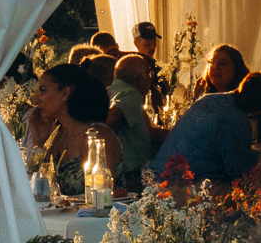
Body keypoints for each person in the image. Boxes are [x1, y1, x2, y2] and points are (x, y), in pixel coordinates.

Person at [149, 71, 261, 185]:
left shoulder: (208, 99)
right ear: (260, 106)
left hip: (157, 177)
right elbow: (239, 172)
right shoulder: (236, 119)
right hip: (184, 186)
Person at [29, 62, 118, 197]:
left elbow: (103, 195)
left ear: (65, 92)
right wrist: (39, 142)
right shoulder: (59, 135)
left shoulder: (96, 136)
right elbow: (40, 190)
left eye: (43, 91)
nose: (38, 99)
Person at [107, 54, 166, 182]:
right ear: (140, 78)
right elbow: (112, 118)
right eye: (149, 73)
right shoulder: (131, 94)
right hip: (133, 175)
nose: (150, 78)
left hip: (120, 173)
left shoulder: (109, 90)